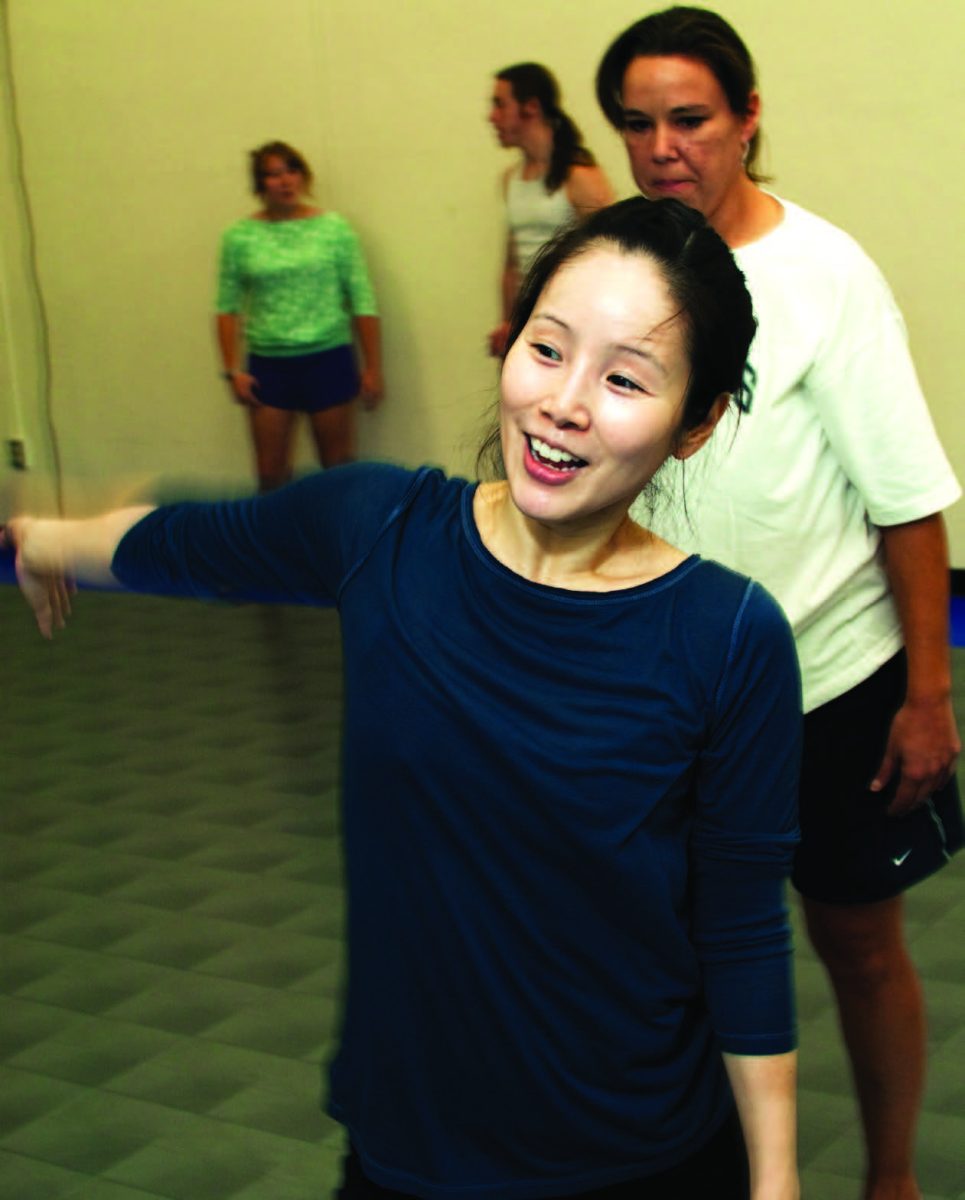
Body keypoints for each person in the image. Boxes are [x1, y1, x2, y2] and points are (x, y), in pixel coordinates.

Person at [5, 198, 802, 1200]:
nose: (564, 402)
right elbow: (191, 542)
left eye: (624, 378)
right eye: (546, 348)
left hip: (637, 1155)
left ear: (695, 423)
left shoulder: (728, 636)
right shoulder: (382, 530)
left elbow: (739, 928)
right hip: (410, 1151)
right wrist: (43, 540)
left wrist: (775, 1178)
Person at [595, 11, 963, 1199]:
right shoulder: (615, 272)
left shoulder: (823, 273)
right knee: (675, 958)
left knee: (858, 946)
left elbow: (905, 499)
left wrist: (925, 695)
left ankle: (891, 1179)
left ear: (747, 118)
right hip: (664, 697)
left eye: (689, 119)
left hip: (830, 680)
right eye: (637, 124)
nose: (663, 147)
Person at [216, 140, 383, 491]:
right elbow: (227, 307)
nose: (284, 181)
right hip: (268, 366)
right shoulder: (239, 237)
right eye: (273, 174)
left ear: (303, 177)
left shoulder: (334, 229)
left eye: (291, 170)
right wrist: (232, 370)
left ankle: (338, 529)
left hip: (328, 358)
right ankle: (277, 530)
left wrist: (372, 367)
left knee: (338, 472)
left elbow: (362, 298)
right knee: (270, 475)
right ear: (260, 184)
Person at [487, 63, 614, 357]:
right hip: (533, 321)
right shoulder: (510, 180)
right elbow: (512, 266)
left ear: (531, 107)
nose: (492, 117)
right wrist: (509, 324)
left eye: (500, 105)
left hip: (575, 323)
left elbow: (613, 258)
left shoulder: (580, 176)